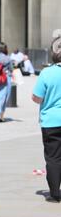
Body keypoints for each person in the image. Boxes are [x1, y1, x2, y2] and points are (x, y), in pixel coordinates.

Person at [32, 36, 61, 203]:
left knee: (53, 157)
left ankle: (55, 194)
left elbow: (37, 97)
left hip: (50, 121)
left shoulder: (46, 73)